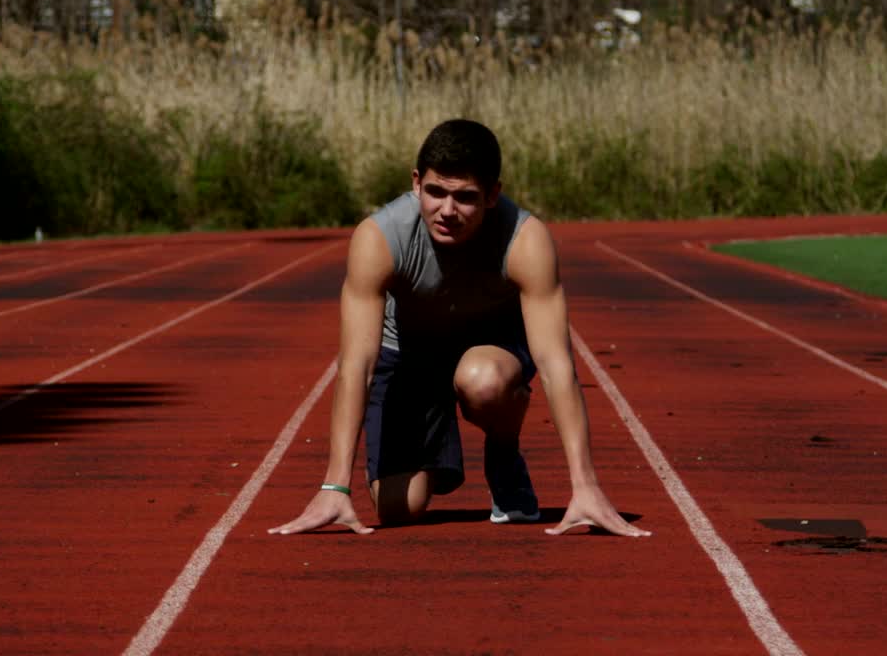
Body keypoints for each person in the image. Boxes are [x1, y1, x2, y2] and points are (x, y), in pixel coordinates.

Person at [269, 119, 649, 537]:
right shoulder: (379, 238)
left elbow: (556, 361)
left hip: (488, 351)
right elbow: (357, 363)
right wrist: (334, 485)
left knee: (482, 380)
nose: (447, 211)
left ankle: (502, 452)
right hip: (411, 354)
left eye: (465, 197)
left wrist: (585, 484)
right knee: (398, 510)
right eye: (436, 192)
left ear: (492, 195)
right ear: (416, 183)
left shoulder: (525, 240)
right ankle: (430, 443)